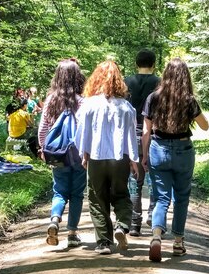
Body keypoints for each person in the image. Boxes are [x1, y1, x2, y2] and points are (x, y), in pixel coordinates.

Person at [141, 57, 209, 262]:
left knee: (161, 197)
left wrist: (144, 156)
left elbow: (146, 130)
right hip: (183, 149)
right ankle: (178, 242)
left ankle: (156, 237)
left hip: (158, 149)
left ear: (166, 75)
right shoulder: (189, 100)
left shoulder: (153, 97)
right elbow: (205, 126)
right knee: (181, 197)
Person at [75, 60, 140, 255]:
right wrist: (134, 160)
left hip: (96, 157)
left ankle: (103, 242)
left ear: (96, 79)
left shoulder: (89, 105)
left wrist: (83, 154)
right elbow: (131, 135)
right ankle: (121, 226)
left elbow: (82, 132)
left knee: (97, 198)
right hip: (120, 158)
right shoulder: (127, 107)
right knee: (121, 195)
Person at [38, 59, 86, 248]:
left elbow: (43, 129)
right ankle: (72, 233)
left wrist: (44, 150)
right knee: (77, 194)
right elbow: (87, 130)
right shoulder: (83, 101)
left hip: (57, 154)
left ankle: (55, 220)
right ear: (78, 77)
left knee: (59, 190)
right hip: (78, 155)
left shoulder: (51, 100)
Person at [124, 49, 161, 236]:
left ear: (136, 64)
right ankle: (153, 215)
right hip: (154, 135)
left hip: (132, 136)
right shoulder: (160, 83)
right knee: (155, 180)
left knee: (134, 180)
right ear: (154, 64)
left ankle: (134, 224)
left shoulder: (126, 82)